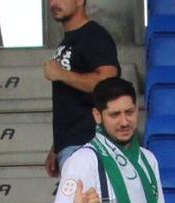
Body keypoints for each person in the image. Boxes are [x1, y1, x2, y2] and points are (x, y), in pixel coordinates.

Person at [43, 0, 120, 174]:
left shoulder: (94, 36)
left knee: (86, 201)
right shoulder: (69, 40)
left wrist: (61, 74)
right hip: (73, 144)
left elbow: (108, 83)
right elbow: (71, 100)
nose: (53, 3)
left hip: (89, 144)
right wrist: (58, 143)